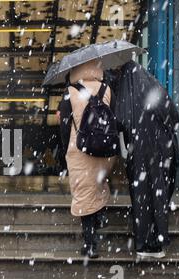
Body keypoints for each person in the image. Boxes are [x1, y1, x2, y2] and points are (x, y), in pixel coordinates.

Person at [114, 61, 179, 259]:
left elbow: (120, 121)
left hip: (140, 151)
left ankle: (143, 243)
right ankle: (158, 243)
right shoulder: (153, 86)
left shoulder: (128, 93)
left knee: (142, 196)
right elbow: (173, 115)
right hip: (162, 150)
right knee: (158, 196)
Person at [58, 59, 117, 258]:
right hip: (104, 149)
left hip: (80, 151)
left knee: (84, 193)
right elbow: (114, 119)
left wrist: (66, 149)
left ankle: (90, 244)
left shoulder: (70, 92)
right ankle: (100, 217)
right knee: (98, 184)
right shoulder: (107, 89)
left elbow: (65, 127)